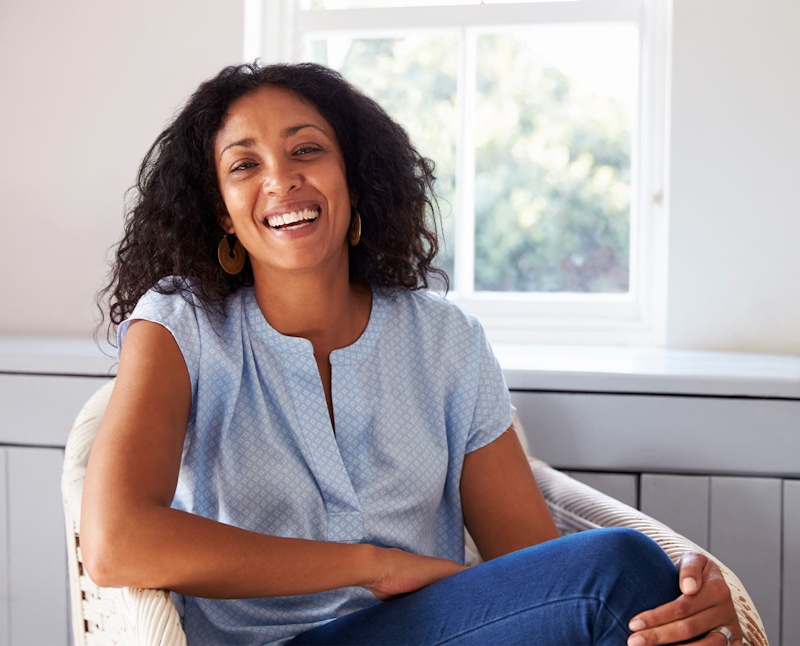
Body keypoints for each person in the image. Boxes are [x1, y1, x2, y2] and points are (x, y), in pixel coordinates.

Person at [82, 61, 744, 646]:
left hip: (437, 628)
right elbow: (116, 541)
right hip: (269, 642)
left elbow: (534, 562)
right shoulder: (181, 323)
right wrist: (371, 564)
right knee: (621, 572)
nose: (282, 180)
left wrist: (676, 596)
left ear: (354, 178)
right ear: (223, 212)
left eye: (306, 150)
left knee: (640, 590)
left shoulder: (444, 341)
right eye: (244, 164)